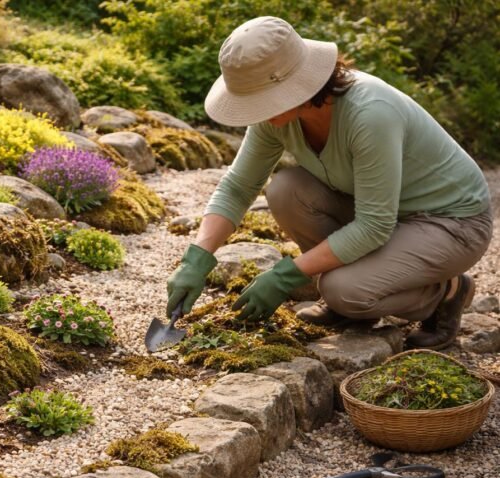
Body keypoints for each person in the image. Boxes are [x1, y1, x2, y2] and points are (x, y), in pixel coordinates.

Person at [166, 16, 493, 350]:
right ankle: (357, 294)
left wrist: (287, 275)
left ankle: (446, 292)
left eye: (262, 100)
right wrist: (197, 258)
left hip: (451, 223)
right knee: (286, 190)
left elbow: (374, 225)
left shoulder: (370, 113)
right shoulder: (275, 119)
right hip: (382, 211)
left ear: (296, 85)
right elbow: (238, 186)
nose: (256, 112)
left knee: (343, 291)